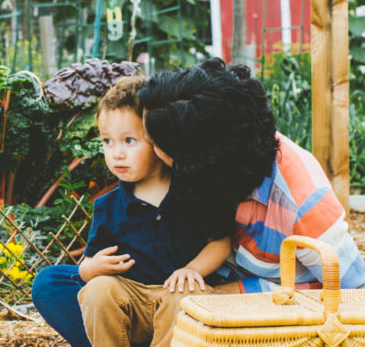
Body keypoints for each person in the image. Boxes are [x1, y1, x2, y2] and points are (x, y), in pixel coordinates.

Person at [32, 75, 232, 347]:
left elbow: (220, 242)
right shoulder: (108, 206)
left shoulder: (191, 190)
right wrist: (91, 268)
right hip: (132, 306)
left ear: (158, 140)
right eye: (107, 142)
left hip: (176, 301)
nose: (116, 154)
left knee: (188, 293)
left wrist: (193, 269)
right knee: (96, 290)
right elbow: (95, 264)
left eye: (129, 141)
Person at [138, 58, 365, 293]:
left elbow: (356, 292)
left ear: (190, 160)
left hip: (281, 304)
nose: (145, 144)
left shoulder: (301, 203)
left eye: (152, 141)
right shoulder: (214, 165)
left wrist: (245, 292)